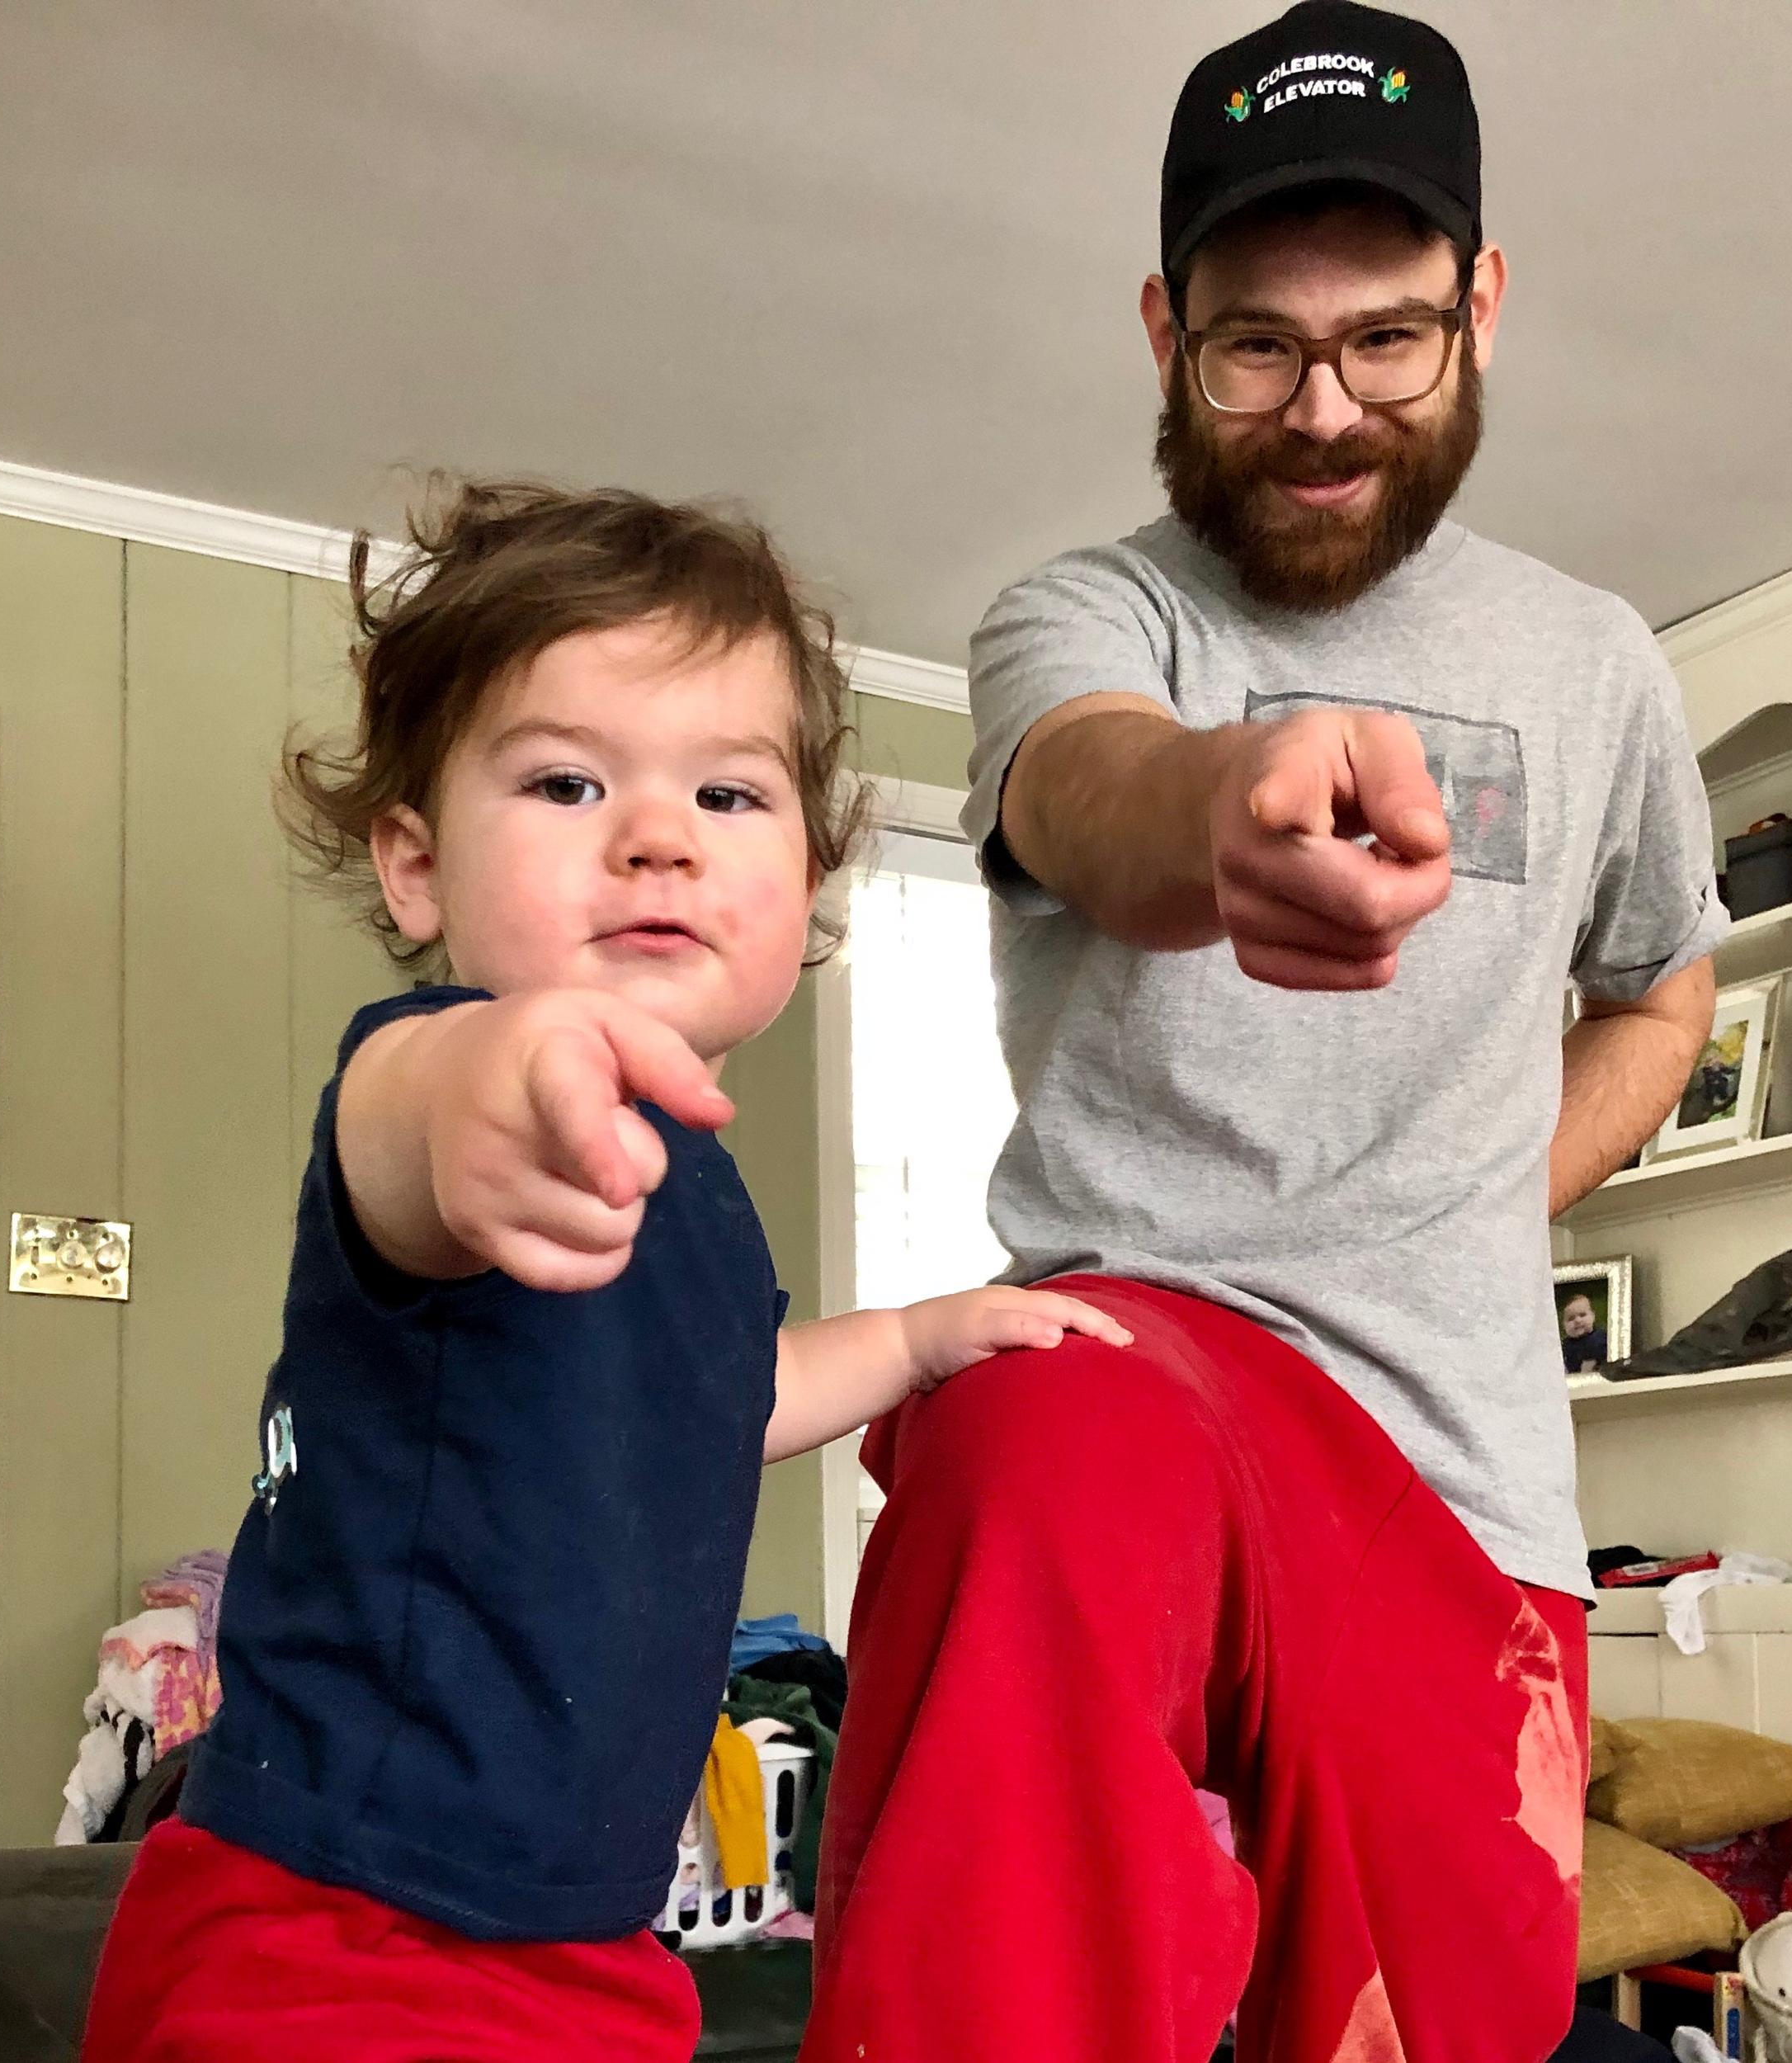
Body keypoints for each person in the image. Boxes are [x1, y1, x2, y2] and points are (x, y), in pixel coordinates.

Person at [801, 6, 1724, 2061]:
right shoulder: (1081, 615)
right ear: (1163, 333)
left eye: (1385, 340)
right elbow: (1090, 788)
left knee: (1445, 2023)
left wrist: (1475, 1198)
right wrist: (1221, 814)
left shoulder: (1597, 664)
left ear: (1481, 307)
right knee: (1018, 1452)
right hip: (1138, 1361)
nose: (1322, 411)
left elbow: (1663, 983)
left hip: (1458, 1481)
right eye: (1253, 349)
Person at [79, 480, 1127, 2063]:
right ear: (417, 866)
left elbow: (730, 1397)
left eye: (729, 794)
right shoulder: (436, 1068)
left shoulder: (697, 1182)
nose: (656, 836)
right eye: (568, 782)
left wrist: (918, 1337)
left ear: (808, 880)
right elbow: (414, 1128)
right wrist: (496, 1095)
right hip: (339, 1916)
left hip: (585, 1923)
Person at [1561, 1292, 1610, 1376]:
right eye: (1571, 1319)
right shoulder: (1564, 1346)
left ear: (1593, 1316)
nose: (1578, 1321)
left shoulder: (1600, 1338)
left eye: (1582, 1315)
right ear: (1564, 1326)